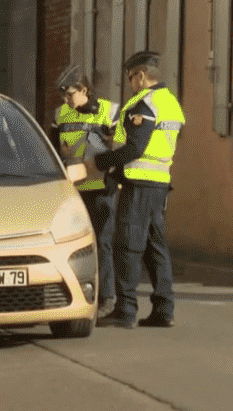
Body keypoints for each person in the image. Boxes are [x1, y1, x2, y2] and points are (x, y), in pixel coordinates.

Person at [85, 51, 185, 329]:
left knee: (126, 246)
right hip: (160, 182)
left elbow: (134, 148)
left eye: (130, 77)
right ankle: (164, 310)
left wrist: (101, 162)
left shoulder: (144, 104)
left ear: (140, 76)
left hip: (139, 183)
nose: (129, 83)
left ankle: (125, 309)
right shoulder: (170, 103)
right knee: (156, 247)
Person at [53, 65, 120, 318]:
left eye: (70, 94)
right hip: (73, 192)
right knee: (73, 245)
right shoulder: (61, 114)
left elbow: (119, 149)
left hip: (102, 187)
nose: (66, 100)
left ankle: (106, 298)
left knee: (102, 243)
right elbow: (54, 150)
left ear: (84, 89)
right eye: (63, 96)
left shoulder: (109, 111)